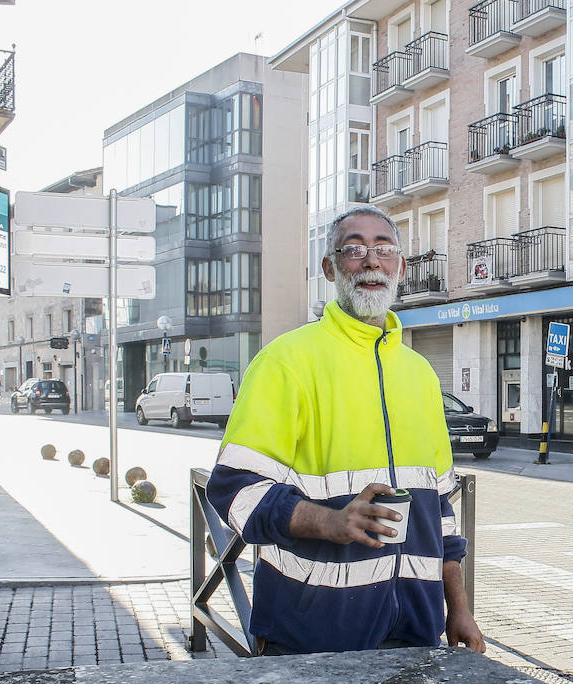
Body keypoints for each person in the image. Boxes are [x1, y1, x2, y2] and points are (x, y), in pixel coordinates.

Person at [206, 205, 485, 656]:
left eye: (384, 249)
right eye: (353, 250)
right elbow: (234, 490)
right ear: (330, 269)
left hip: (416, 631)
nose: (371, 261)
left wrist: (459, 609)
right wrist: (331, 522)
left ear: (400, 267)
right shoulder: (286, 362)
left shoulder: (421, 374)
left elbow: (441, 512)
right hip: (310, 635)